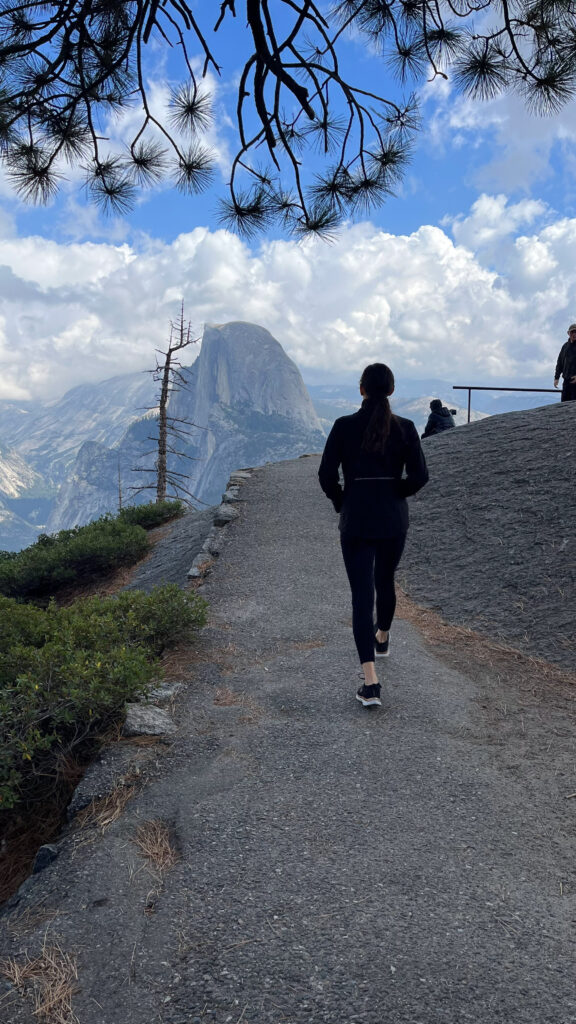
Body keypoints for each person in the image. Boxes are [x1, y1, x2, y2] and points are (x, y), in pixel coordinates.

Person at [318, 363, 429, 708]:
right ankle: (383, 636)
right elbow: (420, 476)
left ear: (361, 389)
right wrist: (397, 492)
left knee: (361, 596)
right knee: (386, 579)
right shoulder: (406, 427)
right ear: (391, 391)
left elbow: (325, 475)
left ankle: (371, 682)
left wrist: (342, 500)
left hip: (357, 520)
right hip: (393, 519)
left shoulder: (343, 426)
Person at [554, 324, 576, 402]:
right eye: (572, 332)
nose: (574, 334)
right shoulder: (565, 347)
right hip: (566, 382)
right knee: (564, 404)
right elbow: (559, 362)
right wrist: (556, 377)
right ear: (568, 333)